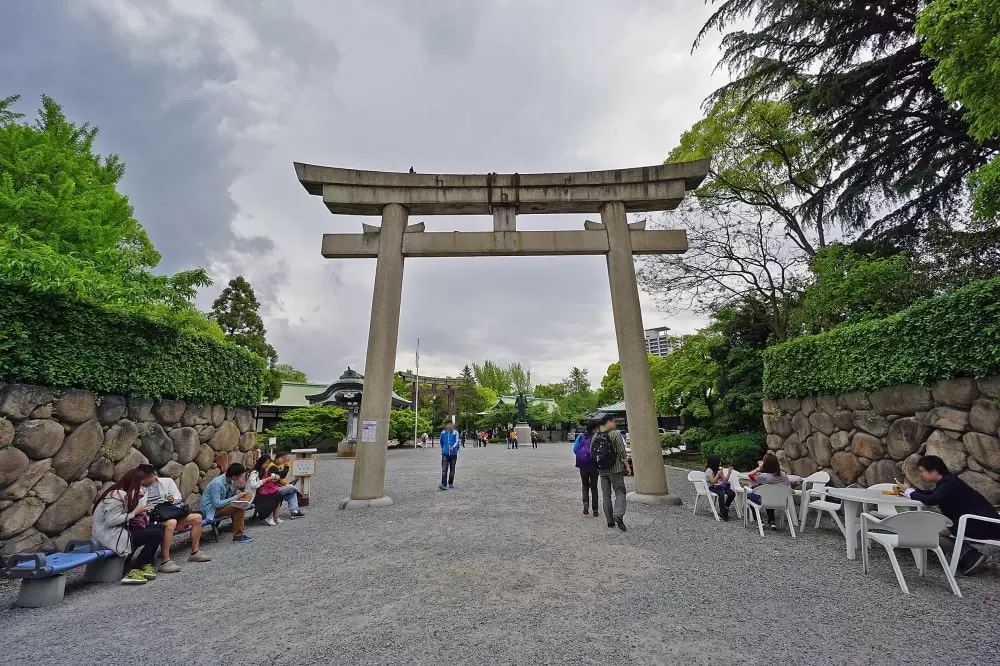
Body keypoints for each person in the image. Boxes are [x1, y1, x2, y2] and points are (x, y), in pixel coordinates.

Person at [903, 455, 1000, 575]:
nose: (921, 475)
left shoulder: (948, 484)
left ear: (933, 471)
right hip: (981, 523)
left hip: (979, 525)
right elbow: (933, 494)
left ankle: (970, 555)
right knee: (932, 528)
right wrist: (911, 491)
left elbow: (932, 499)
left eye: (922, 471)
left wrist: (909, 492)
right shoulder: (949, 481)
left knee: (928, 531)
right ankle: (969, 555)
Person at [91, 468, 164, 585]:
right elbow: (111, 521)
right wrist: (135, 512)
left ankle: (143, 564)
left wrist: (137, 503)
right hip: (108, 536)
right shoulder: (117, 495)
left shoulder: (123, 493)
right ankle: (133, 569)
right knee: (156, 534)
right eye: (140, 485)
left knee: (159, 528)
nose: (142, 489)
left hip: (117, 531)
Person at [137, 464, 211, 572]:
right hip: (153, 517)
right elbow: (138, 507)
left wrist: (172, 499)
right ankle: (165, 561)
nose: (143, 481)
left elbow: (178, 497)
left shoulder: (167, 482)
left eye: (145, 478)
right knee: (171, 523)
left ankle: (195, 552)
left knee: (197, 517)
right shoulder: (138, 487)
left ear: (152, 475)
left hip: (169, 512)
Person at [200, 463, 254, 543]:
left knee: (245, 497)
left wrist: (237, 489)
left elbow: (229, 496)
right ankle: (238, 536)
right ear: (234, 476)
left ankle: (238, 535)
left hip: (221, 506)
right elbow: (216, 504)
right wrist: (235, 497)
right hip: (211, 510)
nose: (240, 477)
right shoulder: (217, 483)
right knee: (239, 507)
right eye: (240, 476)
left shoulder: (230, 481)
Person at [594, 415, 631, 531]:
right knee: (620, 492)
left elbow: (592, 452)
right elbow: (621, 452)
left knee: (606, 494)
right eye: (613, 422)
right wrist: (627, 466)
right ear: (608, 422)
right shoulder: (615, 434)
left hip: (602, 469)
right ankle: (618, 514)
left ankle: (610, 521)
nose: (615, 424)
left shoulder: (596, 435)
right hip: (616, 469)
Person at [746, 453, 791, 530]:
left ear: (766, 465)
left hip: (766, 500)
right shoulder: (784, 475)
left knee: (750, 496)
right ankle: (772, 522)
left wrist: (759, 468)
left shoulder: (765, 477)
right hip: (781, 501)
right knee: (770, 496)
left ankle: (759, 521)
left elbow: (750, 475)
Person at [247, 455, 284, 526]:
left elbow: (268, 483)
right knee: (271, 496)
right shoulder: (254, 472)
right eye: (266, 463)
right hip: (253, 495)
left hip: (262, 492)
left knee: (278, 495)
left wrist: (276, 478)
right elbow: (253, 485)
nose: (267, 464)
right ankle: (269, 517)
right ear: (261, 462)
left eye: (268, 463)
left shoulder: (265, 471)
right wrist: (266, 479)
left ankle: (276, 517)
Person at [573, 420, 600, 518]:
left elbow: (575, 449)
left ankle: (585, 502)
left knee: (585, 485)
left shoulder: (581, 436)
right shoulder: (597, 436)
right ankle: (595, 510)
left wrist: (582, 456)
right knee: (594, 487)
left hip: (583, 464)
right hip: (594, 464)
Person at [270, 451, 305, 519]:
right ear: (277, 458)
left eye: (285, 459)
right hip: (272, 489)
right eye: (283, 458)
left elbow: (282, 476)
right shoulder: (272, 466)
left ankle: (294, 512)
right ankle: (297, 492)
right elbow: (282, 476)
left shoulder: (277, 466)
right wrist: (286, 464)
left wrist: (285, 464)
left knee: (291, 492)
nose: (284, 460)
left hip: (277, 487)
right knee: (291, 488)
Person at [705, 455, 735, 522]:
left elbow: (724, 480)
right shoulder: (709, 470)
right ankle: (722, 513)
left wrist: (729, 473)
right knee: (721, 494)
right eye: (719, 461)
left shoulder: (719, 469)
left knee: (732, 493)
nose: (720, 463)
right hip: (712, 487)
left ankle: (726, 508)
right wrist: (718, 474)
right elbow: (713, 482)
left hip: (719, 486)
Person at [439, 420, 460, 490]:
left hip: (453, 453)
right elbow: (441, 442)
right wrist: (443, 449)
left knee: (452, 469)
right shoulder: (443, 433)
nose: (450, 426)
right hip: (445, 453)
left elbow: (457, 441)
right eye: (448, 424)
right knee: (444, 469)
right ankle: (443, 484)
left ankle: (451, 482)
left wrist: (453, 447)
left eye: (451, 424)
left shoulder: (455, 432)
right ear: (445, 425)